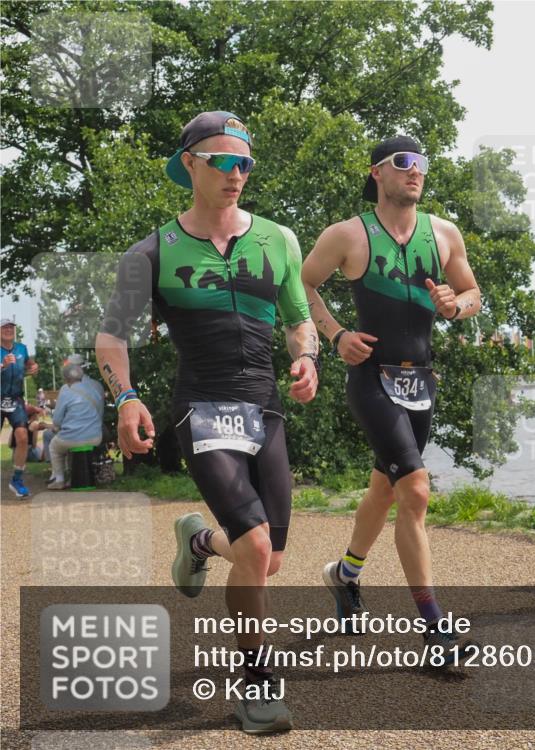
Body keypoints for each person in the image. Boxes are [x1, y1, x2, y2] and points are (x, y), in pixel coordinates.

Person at [95, 111, 319, 733]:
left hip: (264, 406)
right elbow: (110, 339)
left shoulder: (278, 238)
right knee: (252, 545)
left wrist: (307, 356)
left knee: (266, 558)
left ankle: (199, 542)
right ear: (188, 163)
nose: (236, 173)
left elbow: (299, 318)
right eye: (222, 160)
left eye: (244, 162)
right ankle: (257, 685)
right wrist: (127, 399)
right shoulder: (152, 251)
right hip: (202, 407)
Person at [302, 135, 481, 658]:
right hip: (371, 378)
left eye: (422, 163)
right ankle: (436, 630)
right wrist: (335, 336)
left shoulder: (444, 234)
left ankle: (345, 573)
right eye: (404, 162)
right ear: (377, 173)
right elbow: (301, 283)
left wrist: (455, 308)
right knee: (417, 490)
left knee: (386, 489)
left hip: (421, 382)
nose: (416, 171)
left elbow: (473, 294)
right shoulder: (347, 235)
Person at [45, 362, 104, 489]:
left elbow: (57, 420)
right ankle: (73, 478)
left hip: (73, 438)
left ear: (66, 379)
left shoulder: (66, 390)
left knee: (54, 447)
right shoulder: (94, 388)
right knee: (69, 442)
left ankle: (59, 479)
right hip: (96, 437)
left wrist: (59, 426)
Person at [1, 318, 39, 497]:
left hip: (15, 399)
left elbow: (29, 365)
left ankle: (17, 480)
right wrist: (3, 365)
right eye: (4, 327)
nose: (8, 330)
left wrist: (34, 367)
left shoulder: (21, 348)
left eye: (11, 327)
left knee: (23, 437)